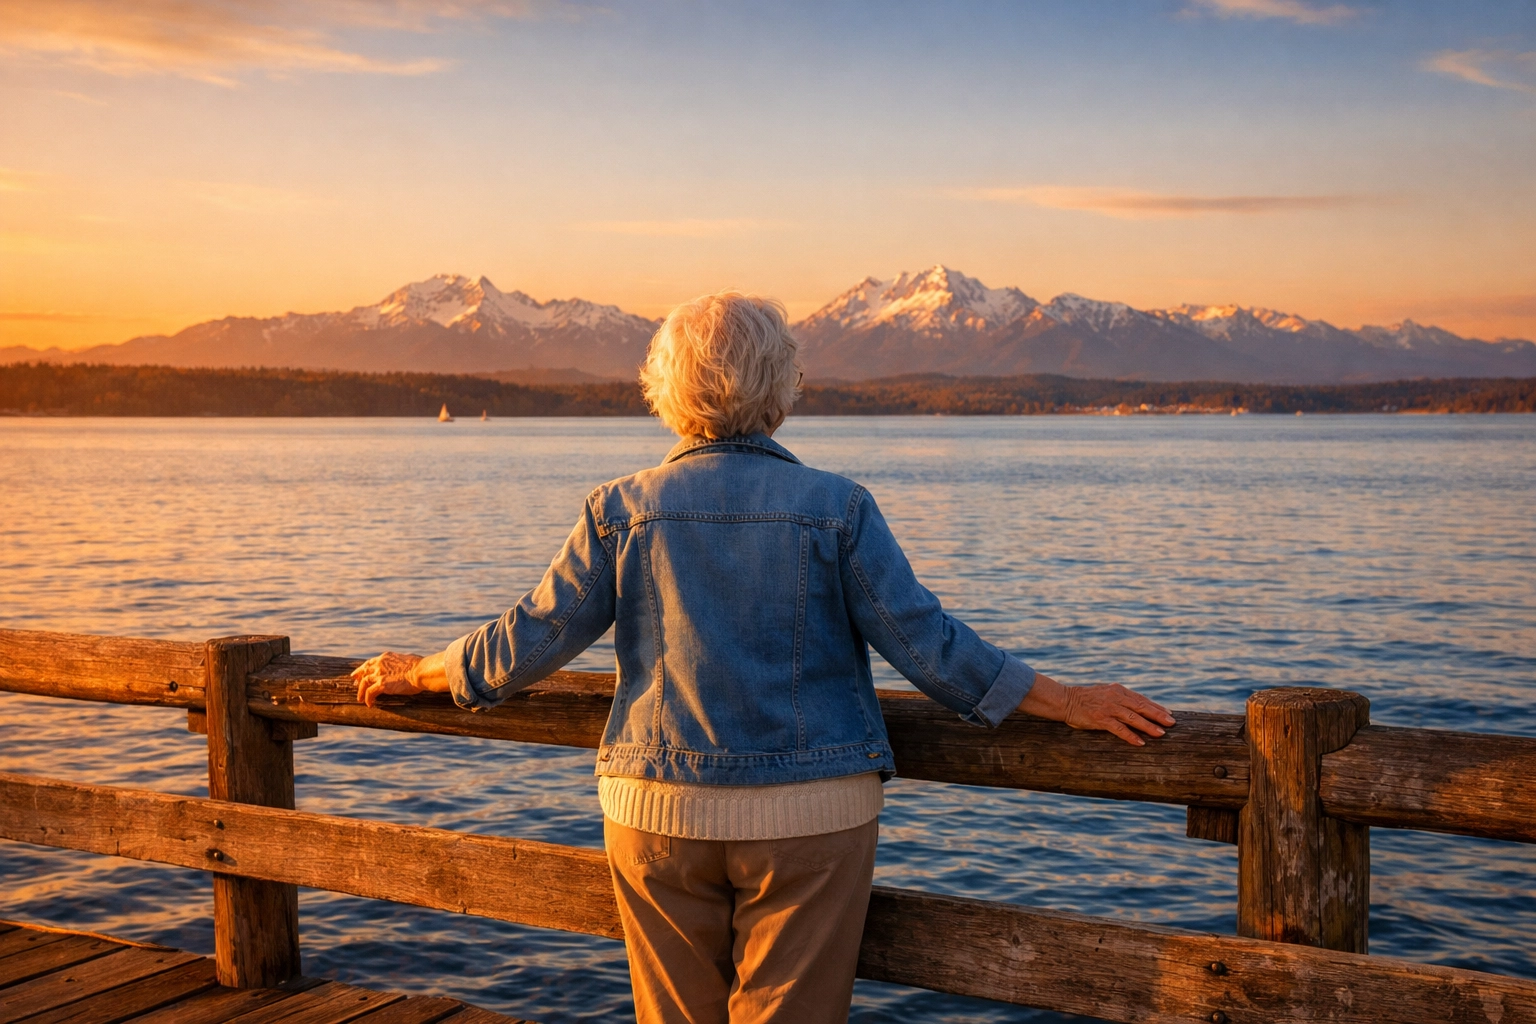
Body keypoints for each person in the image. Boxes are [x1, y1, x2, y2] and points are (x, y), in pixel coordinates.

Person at [352, 291, 1175, 1024]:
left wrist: (422, 670)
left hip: (655, 812)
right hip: (811, 819)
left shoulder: (619, 511)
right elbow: (928, 645)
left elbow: (530, 638)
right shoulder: (838, 509)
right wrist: (1066, 700)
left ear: (665, 395)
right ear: (781, 394)